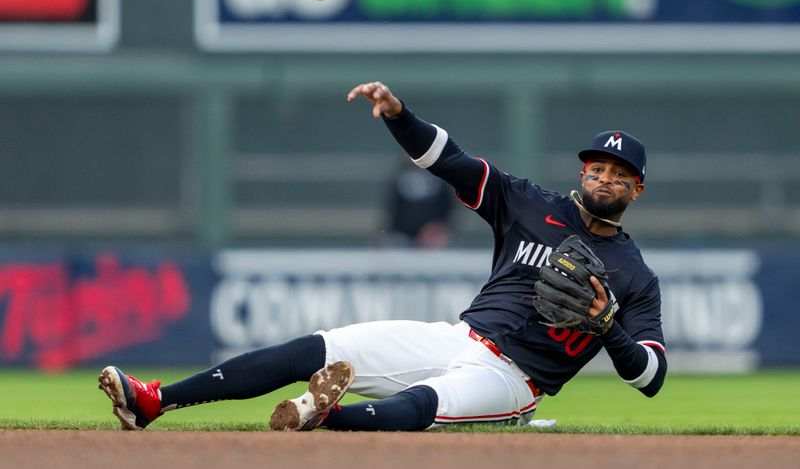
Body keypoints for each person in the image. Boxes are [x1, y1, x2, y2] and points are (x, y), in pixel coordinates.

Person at [98, 81, 666, 432]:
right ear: (582, 170)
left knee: (424, 404)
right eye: (598, 167)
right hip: (459, 338)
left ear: (636, 189)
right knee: (320, 347)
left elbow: (651, 378)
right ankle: (154, 401)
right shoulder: (526, 203)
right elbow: (450, 161)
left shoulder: (634, 275)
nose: (605, 178)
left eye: (620, 175)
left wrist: (609, 328)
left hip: (516, 382)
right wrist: (399, 115)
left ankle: (322, 415)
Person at [380, 155, 455, 248]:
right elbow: (393, 210)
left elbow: (447, 209)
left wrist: (436, 229)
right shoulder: (401, 180)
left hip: (433, 237)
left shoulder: (440, 181)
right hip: (402, 237)